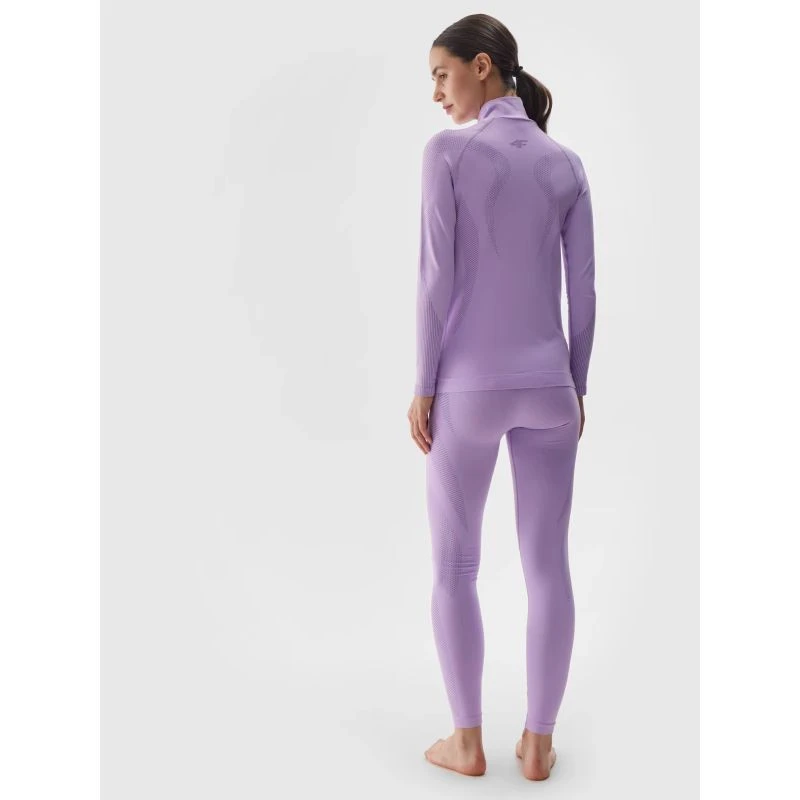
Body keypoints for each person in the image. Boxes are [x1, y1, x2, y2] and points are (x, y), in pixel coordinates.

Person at [407, 14, 596, 782]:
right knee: (548, 565)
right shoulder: (566, 163)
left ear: (482, 66)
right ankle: (540, 744)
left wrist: (423, 384)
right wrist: (577, 386)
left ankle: (467, 742)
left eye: (441, 75)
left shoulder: (449, 154)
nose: (437, 94)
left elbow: (435, 279)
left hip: (468, 391)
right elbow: (584, 290)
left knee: (455, 567)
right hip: (552, 390)